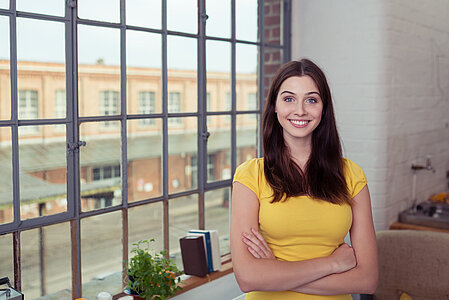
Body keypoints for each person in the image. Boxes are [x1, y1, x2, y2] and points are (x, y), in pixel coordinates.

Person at [230, 59, 378, 299]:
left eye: (311, 99)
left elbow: (367, 280)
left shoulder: (352, 175)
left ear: (324, 108)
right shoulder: (249, 176)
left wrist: (275, 271)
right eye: (289, 99)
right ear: (275, 107)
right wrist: (333, 264)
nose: (300, 110)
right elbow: (248, 278)